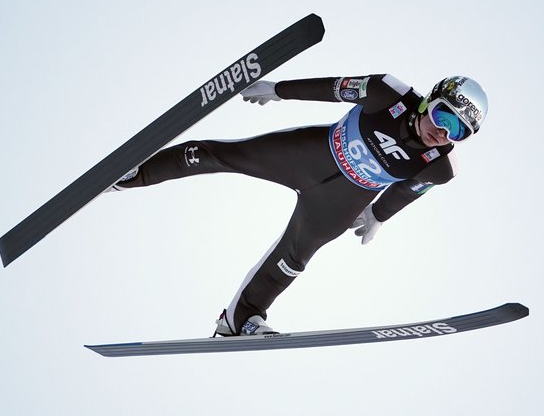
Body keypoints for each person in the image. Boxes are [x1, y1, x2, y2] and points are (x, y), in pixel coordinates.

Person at [107, 74, 488, 336]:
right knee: (223, 155)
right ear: (428, 101)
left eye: (457, 132)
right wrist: (279, 90)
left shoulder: (440, 168)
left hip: (340, 202)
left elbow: (409, 189)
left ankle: (241, 320)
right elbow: (334, 88)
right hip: (310, 154)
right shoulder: (389, 92)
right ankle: (132, 175)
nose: (442, 132)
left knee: (293, 259)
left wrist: (377, 214)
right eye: (443, 116)